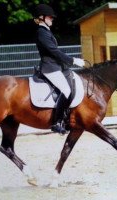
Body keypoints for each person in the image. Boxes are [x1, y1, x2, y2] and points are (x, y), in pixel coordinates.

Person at [33, 4, 85, 134]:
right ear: (41, 17)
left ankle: (66, 118)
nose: (52, 19)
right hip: (49, 67)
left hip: (55, 66)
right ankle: (56, 122)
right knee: (66, 90)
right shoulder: (41, 32)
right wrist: (73, 60)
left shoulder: (46, 31)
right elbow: (53, 51)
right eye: (50, 17)